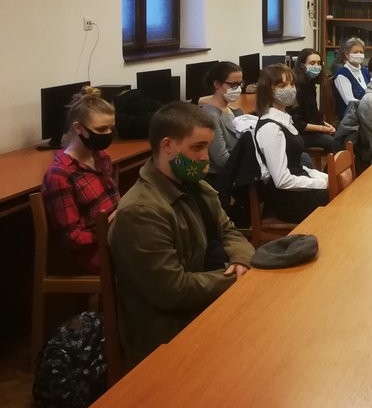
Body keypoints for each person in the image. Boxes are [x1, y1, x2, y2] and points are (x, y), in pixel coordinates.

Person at [108, 102, 254, 367]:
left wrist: (241, 261)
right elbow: (172, 291)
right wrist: (235, 279)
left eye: (207, 147)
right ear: (167, 146)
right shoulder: (141, 211)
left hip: (205, 300)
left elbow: (229, 231)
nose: (205, 157)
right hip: (167, 331)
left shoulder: (197, 186)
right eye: (197, 147)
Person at [41, 86, 119, 273]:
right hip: (94, 251)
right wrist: (106, 231)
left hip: (115, 236)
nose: (108, 134)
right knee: (152, 258)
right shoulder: (60, 174)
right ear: (78, 128)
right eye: (101, 129)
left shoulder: (100, 156)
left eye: (111, 128)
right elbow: (72, 237)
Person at [251, 64, 329, 223]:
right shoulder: (271, 128)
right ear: (268, 90)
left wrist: (324, 177)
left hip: (298, 187)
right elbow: (282, 180)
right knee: (340, 198)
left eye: (292, 84)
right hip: (289, 200)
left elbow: (295, 165)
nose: (290, 89)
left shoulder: (285, 118)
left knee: (343, 189)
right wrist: (320, 183)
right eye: (282, 86)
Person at [199, 61, 245, 180]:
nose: (238, 89)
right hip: (224, 177)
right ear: (217, 84)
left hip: (238, 170)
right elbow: (222, 160)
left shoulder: (233, 110)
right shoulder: (210, 116)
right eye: (233, 84)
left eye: (240, 84)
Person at [290, 48, 341, 151]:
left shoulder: (310, 84)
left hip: (311, 129)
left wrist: (326, 125)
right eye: (312, 63)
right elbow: (298, 123)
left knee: (341, 136)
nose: (316, 66)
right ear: (302, 65)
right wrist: (322, 128)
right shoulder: (297, 88)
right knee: (335, 143)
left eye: (318, 63)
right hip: (299, 133)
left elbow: (313, 115)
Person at [332, 36, 372, 110]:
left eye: (361, 52)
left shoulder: (365, 71)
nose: (359, 54)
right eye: (355, 52)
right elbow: (350, 102)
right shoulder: (342, 75)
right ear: (347, 55)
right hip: (351, 115)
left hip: (368, 112)